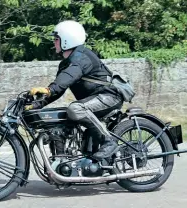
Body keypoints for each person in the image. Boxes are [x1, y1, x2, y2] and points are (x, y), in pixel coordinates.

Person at [24, 20, 124, 160]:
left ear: (67, 40)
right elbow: (59, 89)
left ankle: (108, 142)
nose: (54, 42)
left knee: (75, 109)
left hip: (109, 97)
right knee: (58, 122)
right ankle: (61, 161)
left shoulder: (81, 57)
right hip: (95, 99)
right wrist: (36, 104)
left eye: (56, 39)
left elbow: (68, 76)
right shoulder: (66, 63)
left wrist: (49, 89)